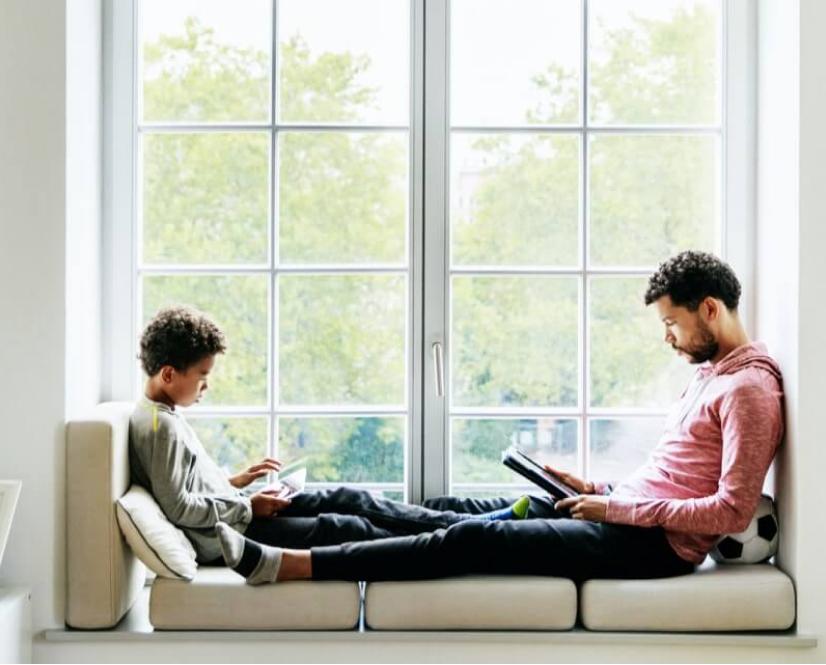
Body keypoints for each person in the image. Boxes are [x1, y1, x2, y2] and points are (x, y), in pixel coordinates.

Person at [215, 250, 786, 586]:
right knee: (446, 509)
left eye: (672, 323)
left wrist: (613, 506)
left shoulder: (750, 391)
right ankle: (274, 508)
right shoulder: (710, 375)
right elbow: (677, 475)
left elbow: (731, 508)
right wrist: (597, 487)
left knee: (468, 538)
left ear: (709, 309)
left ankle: (292, 565)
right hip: (620, 513)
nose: (669, 337)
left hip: (650, 546)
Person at [128, 306, 529, 568]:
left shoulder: (164, 417)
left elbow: (185, 486)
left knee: (347, 498)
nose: (206, 386)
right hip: (234, 533)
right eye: (202, 376)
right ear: (168, 374)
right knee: (344, 526)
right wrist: (249, 507)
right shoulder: (159, 427)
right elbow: (179, 507)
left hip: (239, 512)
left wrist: (238, 482)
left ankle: (469, 523)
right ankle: (469, 535)